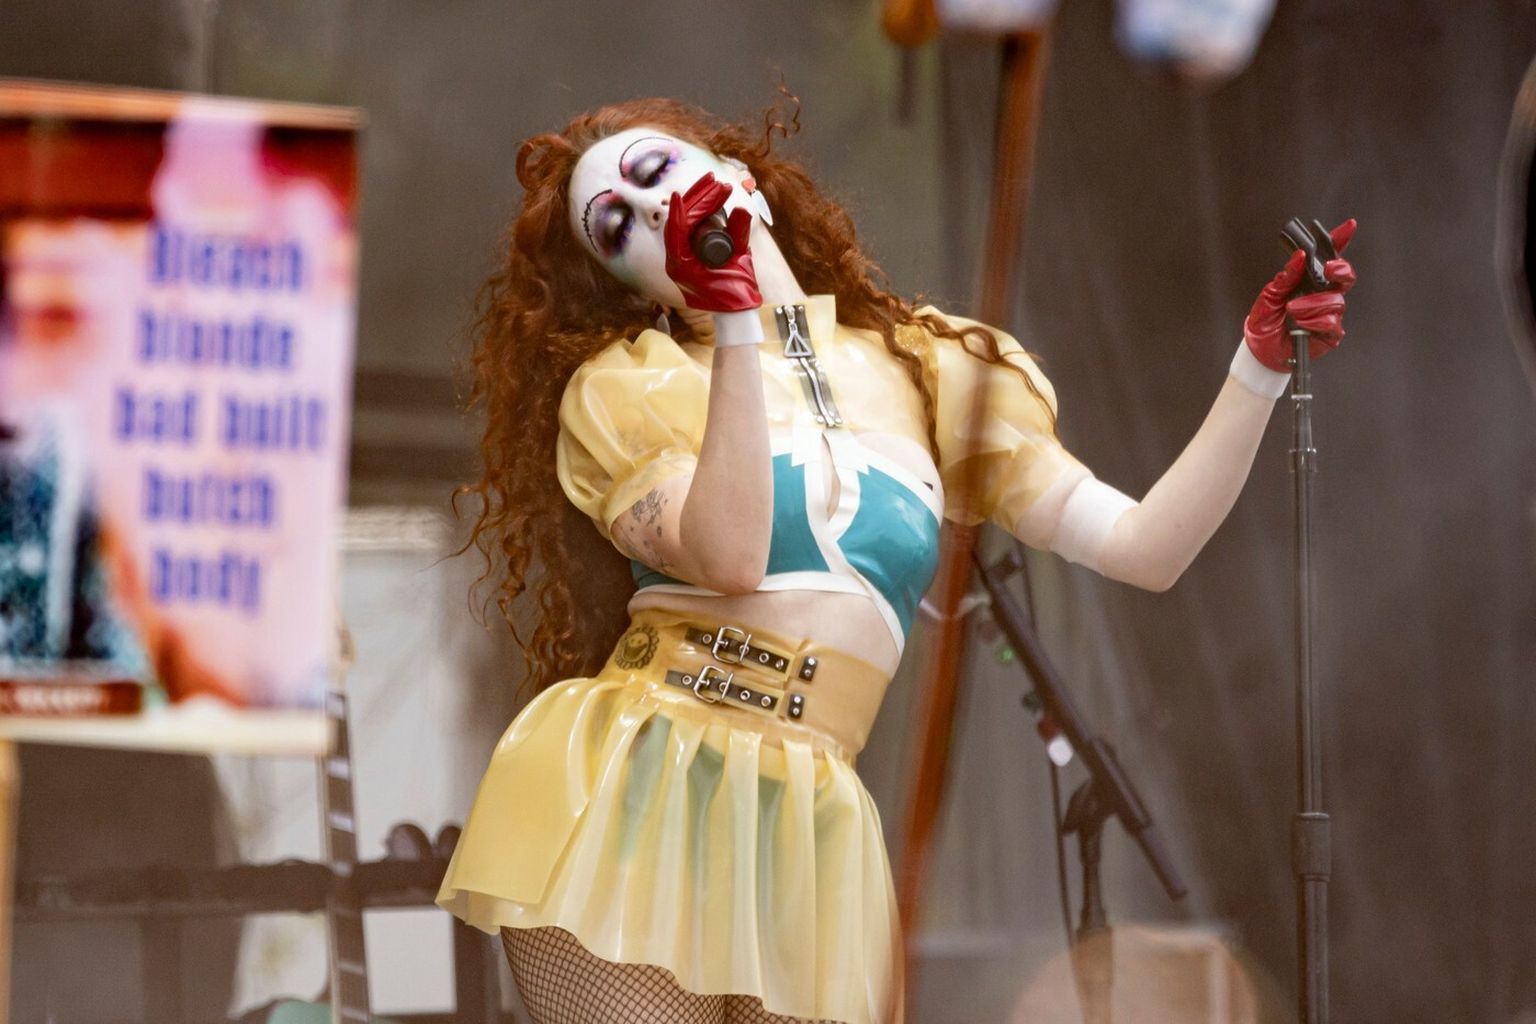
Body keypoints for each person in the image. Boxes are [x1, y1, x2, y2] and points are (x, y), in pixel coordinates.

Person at [436, 97, 1356, 1024]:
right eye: (615, 228)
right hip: (643, 787)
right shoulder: (633, 387)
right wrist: (738, 322)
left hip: (812, 812)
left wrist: (1258, 368)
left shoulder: (926, 367)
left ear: (741, 181)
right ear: (636, 287)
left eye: (654, 172)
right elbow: (731, 555)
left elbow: (1145, 548)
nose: (647, 209)